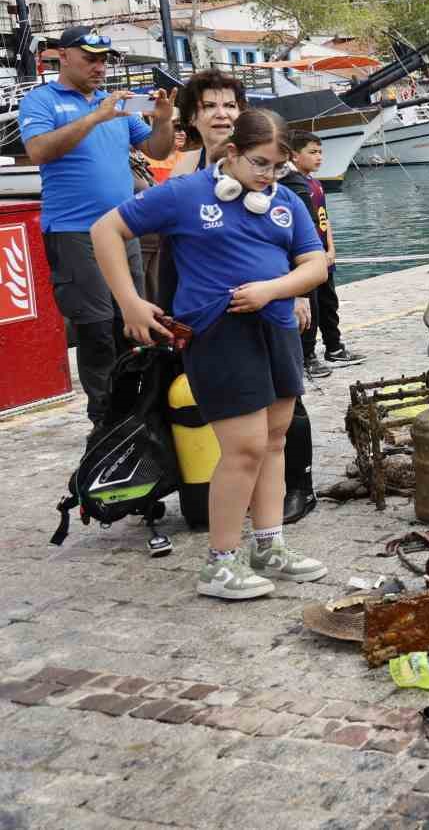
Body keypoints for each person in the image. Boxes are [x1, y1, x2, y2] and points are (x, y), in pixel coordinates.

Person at [90, 109, 328, 601]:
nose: (268, 176)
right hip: (219, 333)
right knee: (242, 447)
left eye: (278, 167)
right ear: (233, 153)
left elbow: (315, 265)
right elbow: (105, 231)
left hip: (277, 326)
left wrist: (273, 290)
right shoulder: (186, 194)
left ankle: (269, 544)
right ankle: (220, 563)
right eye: (259, 164)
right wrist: (131, 302)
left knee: (275, 440)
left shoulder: (285, 201)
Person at [19, 26, 175, 430]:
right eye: (90, 58)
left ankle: (140, 408)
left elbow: (157, 150)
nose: (99, 67)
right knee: (95, 328)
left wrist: (163, 122)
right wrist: (95, 117)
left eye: (104, 60)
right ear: (63, 56)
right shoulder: (42, 100)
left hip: (123, 229)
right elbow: (38, 151)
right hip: (73, 231)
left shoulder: (117, 106)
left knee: (135, 320)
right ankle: (104, 419)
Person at [281, 131, 362, 379]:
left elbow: (324, 219)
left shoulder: (315, 183)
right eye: (312, 152)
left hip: (324, 254)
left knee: (329, 303)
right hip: (309, 257)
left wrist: (331, 249)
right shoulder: (294, 184)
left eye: (320, 152)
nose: (319, 157)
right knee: (310, 307)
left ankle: (334, 346)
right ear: (295, 155)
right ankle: (307, 356)